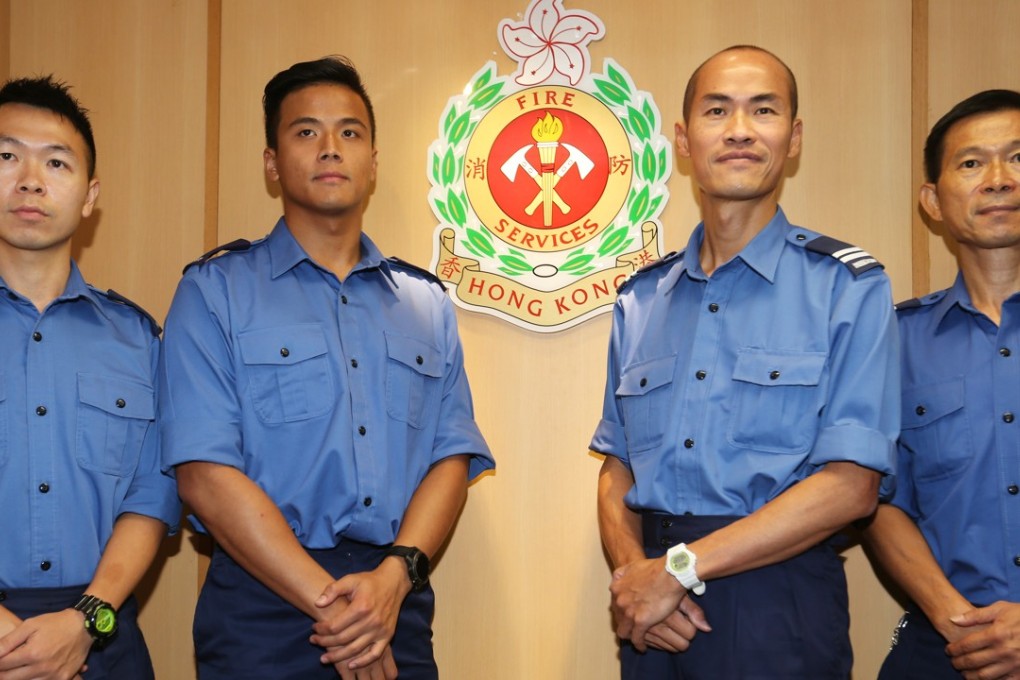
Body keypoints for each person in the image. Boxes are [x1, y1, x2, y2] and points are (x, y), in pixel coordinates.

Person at [159, 55, 493, 680]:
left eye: (350, 131)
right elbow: (202, 473)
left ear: (373, 162)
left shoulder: (426, 304)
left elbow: (451, 458)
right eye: (306, 131)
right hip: (261, 608)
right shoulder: (215, 292)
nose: (331, 147)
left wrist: (392, 582)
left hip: (394, 602)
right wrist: (339, 610)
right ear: (272, 162)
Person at [589, 45, 900, 678]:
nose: (739, 130)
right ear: (683, 140)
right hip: (652, 615)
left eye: (763, 110)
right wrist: (634, 575)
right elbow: (617, 467)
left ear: (794, 138)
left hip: (777, 601)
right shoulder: (640, 300)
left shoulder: (847, 286)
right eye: (716, 111)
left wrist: (679, 569)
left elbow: (852, 485)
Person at [0, 76, 179, 679]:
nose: (30, 180)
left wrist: (85, 620)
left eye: (56, 162)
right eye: (7, 156)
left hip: (101, 635)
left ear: (89, 195)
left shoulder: (139, 339)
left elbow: (152, 496)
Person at [861, 89, 1020, 680]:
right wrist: (959, 622)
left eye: (1018, 158)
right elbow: (877, 501)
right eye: (972, 163)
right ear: (932, 201)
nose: (999, 180)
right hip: (949, 646)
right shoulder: (890, 342)